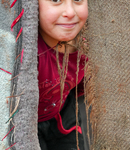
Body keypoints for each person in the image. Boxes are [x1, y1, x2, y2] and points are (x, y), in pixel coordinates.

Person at [37, 0, 88, 150]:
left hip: (62, 116)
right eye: (55, 0)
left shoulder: (88, 48)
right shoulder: (26, 52)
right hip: (25, 124)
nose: (70, 12)